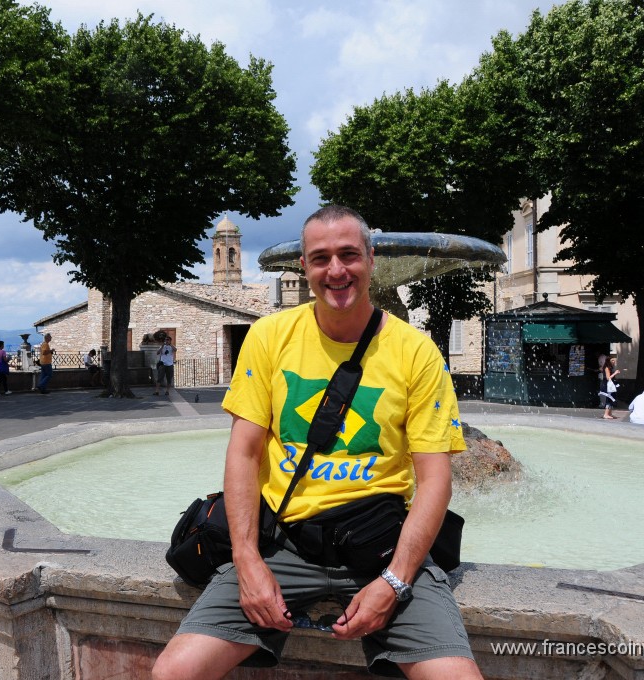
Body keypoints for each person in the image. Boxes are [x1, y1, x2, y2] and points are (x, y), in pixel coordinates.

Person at [152, 205, 481, 680]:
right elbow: (243, 454)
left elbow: (435, 481)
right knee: (172, 673)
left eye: (349, 254)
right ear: (303, 268)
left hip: (383, 549)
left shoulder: (416, 351)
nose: (336, 270)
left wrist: (394, 582)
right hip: (283, 544)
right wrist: (247, 563)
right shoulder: (269, 337)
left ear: (371, 259)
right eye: (321, 257)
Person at [598, 356, 621, 420]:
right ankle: (606, 414)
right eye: (612, 360)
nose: (614, 362)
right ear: (609, 361)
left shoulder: (610, 367)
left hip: (610, 385)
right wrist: (615, 373)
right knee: (609, 399)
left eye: (615, 360)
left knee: (612, 398)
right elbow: (608, 378)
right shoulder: (607, 367)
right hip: (607, 386)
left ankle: (609, 413)